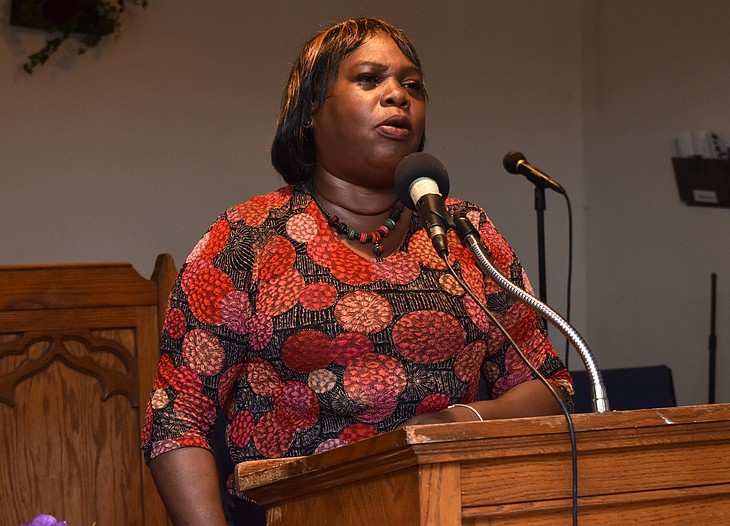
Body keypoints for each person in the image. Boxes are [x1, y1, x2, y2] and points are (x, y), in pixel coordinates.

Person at [142, 17, 574, 526]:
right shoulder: (245, 238)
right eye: (369, 79)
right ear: (310, 114)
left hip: (452, 509)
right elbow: (177, 418)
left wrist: (465, 418)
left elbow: (548, 386)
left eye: (412, 85)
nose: (397, 95)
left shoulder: (464, 231)